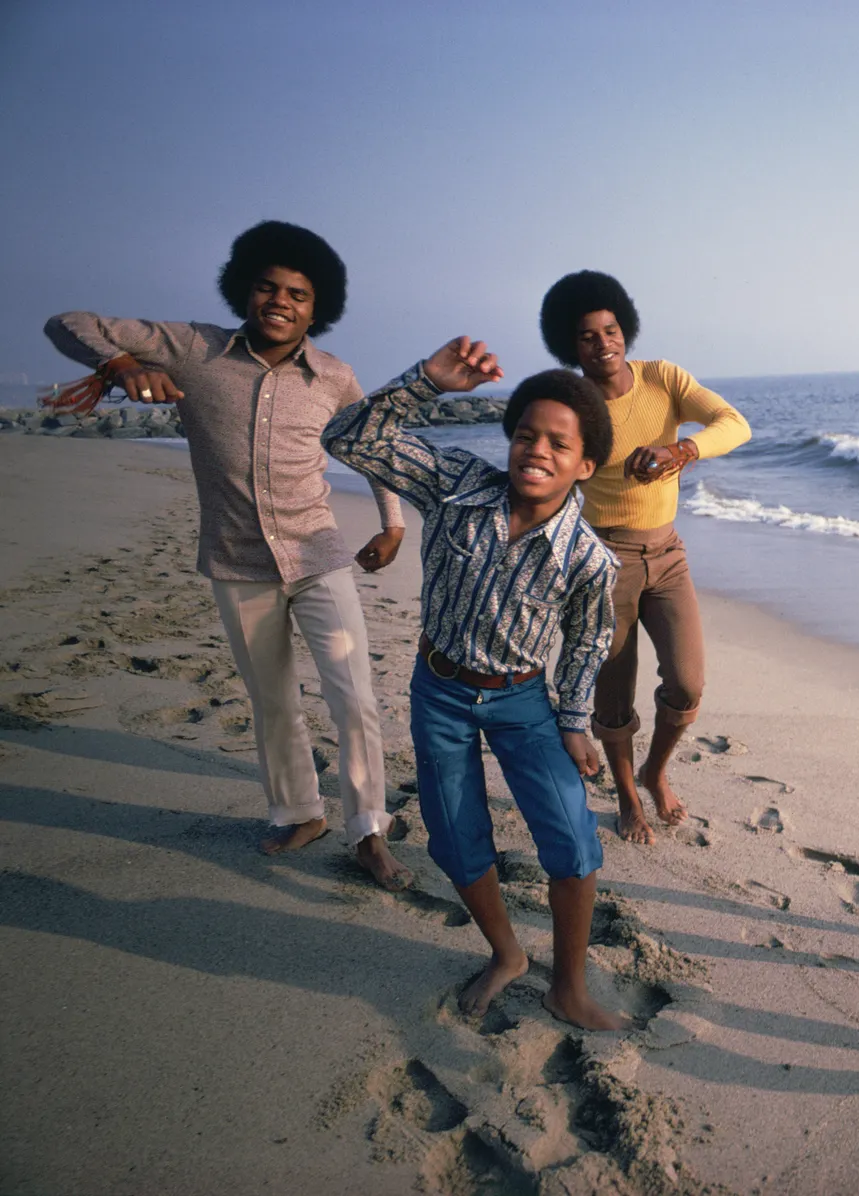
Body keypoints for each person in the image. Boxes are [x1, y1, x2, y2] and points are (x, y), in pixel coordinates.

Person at [43, 221, 411, 889]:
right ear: (245, 292)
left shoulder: (334, 376)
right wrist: (119, 364)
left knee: (353, 695)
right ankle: (300, 813)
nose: (280, 301)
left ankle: (368, 831)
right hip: (237, 560)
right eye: (267, 288)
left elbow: (374, 445)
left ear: (315, 308)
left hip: (320, 554)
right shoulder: (191, 347)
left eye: (297, 294)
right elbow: (67, 322)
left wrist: (392, 524)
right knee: (271, 698)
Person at [322, 339, 625, 1029]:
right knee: (455, 834)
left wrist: (574, 717)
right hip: (440, 690)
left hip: (524, 700)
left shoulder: (589, 558)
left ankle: (569, 986)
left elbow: (588, 639)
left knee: (572, 842)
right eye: (525, 435)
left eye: (557, 442)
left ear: (586, 465)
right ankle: (507, 953)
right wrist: (427, 382)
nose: (536, 451)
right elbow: (347, 435)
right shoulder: (455, 486)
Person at [538, 271, 751, 845]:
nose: (603, 342)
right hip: (604, 560)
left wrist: (682, 448)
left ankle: (656, 770)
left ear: (624, 329)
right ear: (570, 344)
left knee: (687, 683)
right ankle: (629, 795)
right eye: (587, 336)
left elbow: (735, 424)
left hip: (668, 553)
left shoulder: (663, 378)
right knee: (613, 690)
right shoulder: (572, 402)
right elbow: (551, 470)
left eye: (610, 329)